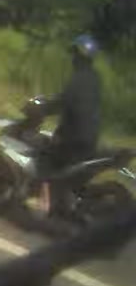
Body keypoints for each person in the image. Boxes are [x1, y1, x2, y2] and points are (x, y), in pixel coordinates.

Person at [30, 34, 103, 215]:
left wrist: (43, 109)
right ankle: (63, 196)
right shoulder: (95, 79)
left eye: (74, 54)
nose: (72, 58)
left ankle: (44, 201)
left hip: (73, 139)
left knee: (43, 153)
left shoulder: (77, 80)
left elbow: (62, 103)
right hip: (91, 140)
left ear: (78, 56)